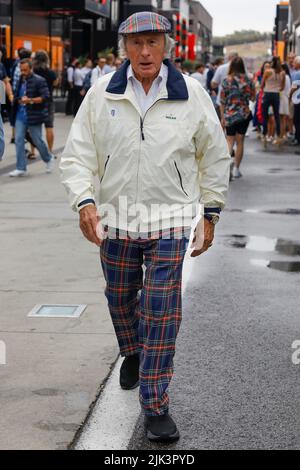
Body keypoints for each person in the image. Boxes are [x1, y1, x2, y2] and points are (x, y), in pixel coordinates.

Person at [60, 11, 230, 443]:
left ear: (167, 45)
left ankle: (155, 403)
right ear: (124, 49)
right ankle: (131, 350)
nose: (145, 51)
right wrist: (84, 200)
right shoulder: (102, 94)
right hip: (116, 220)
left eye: (153, 41)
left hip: (169, 219)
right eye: (136, 43)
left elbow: (213, 154)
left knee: (160, 309)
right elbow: (77, 154)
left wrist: (210, 212)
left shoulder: (190, 94)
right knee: (119, 298)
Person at [9, 59, 53, 177]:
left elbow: (45, 97)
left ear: (31, 68)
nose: (23, 72)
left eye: (25, 70)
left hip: (34, 115)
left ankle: (48, 158)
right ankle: (21, 168)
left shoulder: (39, 80)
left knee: (37, 140)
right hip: (20, 115)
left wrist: (30, 100)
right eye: (21, 70)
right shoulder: (19, 80)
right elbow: (17, 95)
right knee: (18, 140)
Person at [220, 56, 255, 179]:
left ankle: (227, 167)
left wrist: (222, 117)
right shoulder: (249, 80)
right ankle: (236, 169)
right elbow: (252, 98)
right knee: (240, 141)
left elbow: (222, 100)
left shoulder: (226, 80)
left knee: (229, 141)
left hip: (229, 114)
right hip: (243, 114)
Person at [33, 50, 58, 153]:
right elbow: (56, 83)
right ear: (46, 59)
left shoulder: (33, 72)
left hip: (35, 102)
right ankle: (50, 150)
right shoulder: (51, 72)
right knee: (49, 126)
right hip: (48, 102)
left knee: (34, 128)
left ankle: (33, 151)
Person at [261, 56, 285, 146]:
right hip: (276, 94)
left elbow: (262, 84)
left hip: (267, 93)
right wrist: (277, 88)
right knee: (276, 115)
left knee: (265, 115)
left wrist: (265, 88)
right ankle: (278, 136)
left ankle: (264, 135)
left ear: (272, 63)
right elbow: (282, 87)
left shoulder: (268, 71)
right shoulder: (282, 73)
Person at [289, 56, 300, 153]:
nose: (293, 64)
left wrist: (290, 96)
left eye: (295, 62)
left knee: (297, 120)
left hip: (298, 100)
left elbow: (294, 87)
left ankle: (297, 138)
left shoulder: (297, 74)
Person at [280, 63, 292, 140]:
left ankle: (282, 135)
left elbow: (281, 88)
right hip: (286, 98)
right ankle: (284, 134)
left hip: (282, 98)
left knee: (281, 119)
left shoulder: (284, 77)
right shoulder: (288, 77)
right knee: (284, 118)